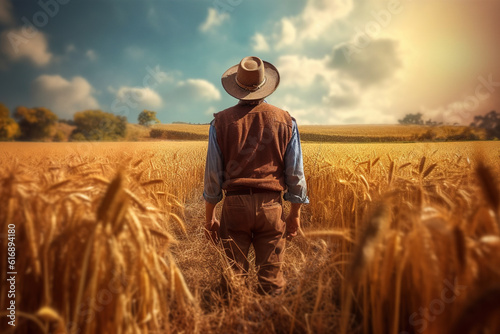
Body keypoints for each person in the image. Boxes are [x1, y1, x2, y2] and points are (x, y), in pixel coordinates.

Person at [203, 56, 309, 296]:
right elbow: (295, 173)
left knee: (233, 280)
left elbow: (212, 175)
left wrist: (210, 218)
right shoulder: (286, 121)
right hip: (271, 206)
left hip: (235, 206)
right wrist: (295, 214)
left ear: (236, 89)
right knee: (271, 281)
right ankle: (268, 321)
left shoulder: (219, 122)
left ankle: (232, 320)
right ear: (264, 85)